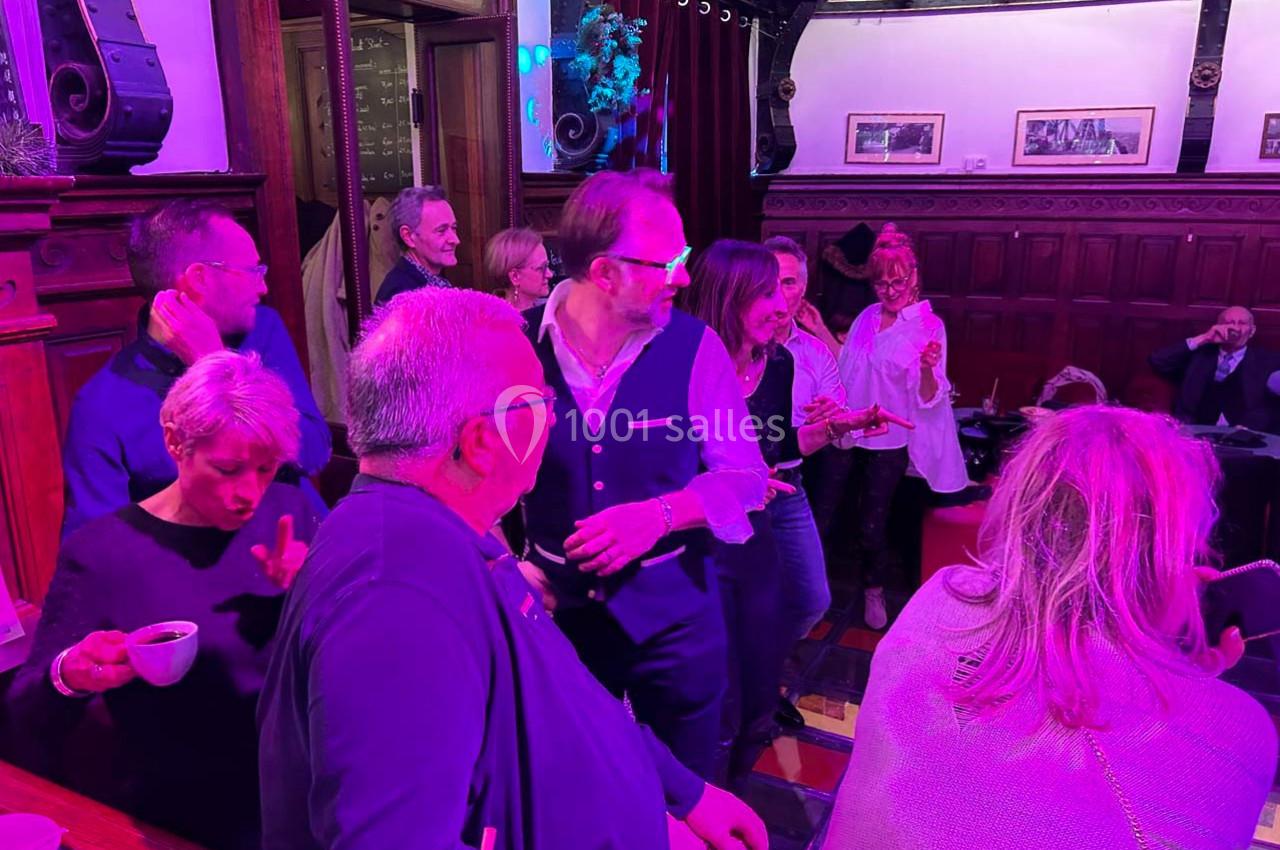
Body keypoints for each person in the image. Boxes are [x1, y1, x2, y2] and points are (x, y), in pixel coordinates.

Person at [256, 288, 767, 850]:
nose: (554, 418)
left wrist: (682, 792)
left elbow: (562, 695)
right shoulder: (393, 597)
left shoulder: (450, 530)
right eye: (542, 402)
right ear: (480, 444)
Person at [821, 406, 1276, 850]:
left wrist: (1161, 666)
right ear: (1171, 551)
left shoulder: (944, 596)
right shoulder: (1239, 730)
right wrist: (1181, 675)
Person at [11, 352, 319, 850]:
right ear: (176, 442)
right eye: (228, 468)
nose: (250, 494)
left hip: (301, 799)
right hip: (182, 818)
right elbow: (25, 716)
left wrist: (312, 592)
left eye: (265, 470)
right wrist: (72, 672)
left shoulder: (290, 512)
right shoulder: (103, 554)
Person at [517, 169, 768, 780]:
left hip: (678, 621)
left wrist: (659, 516)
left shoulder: (694, 346)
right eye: (669, 262)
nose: (684, 277)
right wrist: (507, 566)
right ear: (605, 273)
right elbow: (463, 478)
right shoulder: (516, 344)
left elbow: (746, 476)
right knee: (573, 783)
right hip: (559, 621)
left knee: (682, 789)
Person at [683, 239, 905, 782]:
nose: (781, 306)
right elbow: (671, 467)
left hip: (768, 511)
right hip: (703, 531)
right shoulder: (683, 364)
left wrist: (839, 427)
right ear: (728, 295)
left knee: (796, 615)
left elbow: (779, 449)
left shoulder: (778, 363)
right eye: (765, 292)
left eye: (785, 290)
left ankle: (739, 758)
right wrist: (731, 488)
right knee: (712, 677)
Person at [60, 199, 331, 538]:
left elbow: (313, 450)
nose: (263, 287)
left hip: (306, 556)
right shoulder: (102, 406)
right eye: (253, 271)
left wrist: (212, 363)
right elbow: (95, 553)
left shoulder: (262, 330)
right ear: (200, 278)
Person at [837, 223, 967, 630]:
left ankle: (874, 590)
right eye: (881, 284)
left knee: (873, 520)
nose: (890, 292)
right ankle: (826, 590)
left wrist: (929, 369)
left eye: (898, 282)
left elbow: (929, 396)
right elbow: (848, 368)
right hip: (849, 428)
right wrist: (820, 332)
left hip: (889, 439)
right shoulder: (867, 317)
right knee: (832, 510)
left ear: (914, 277)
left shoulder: (929, 327)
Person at [1149, 305, 1280, 432]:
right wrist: (1204, 338)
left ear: (1252, 331)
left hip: (1242, 437)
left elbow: (1267, 407)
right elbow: (1157, 361)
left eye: (1242, 323)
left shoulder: (1268, 360)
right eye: (1228, 323)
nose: (1235, 328)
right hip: (1195, 432)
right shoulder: (1198, 355)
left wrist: (1248, 427)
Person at [373, 185, 459, 305]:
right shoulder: (402, 294)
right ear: (408, 237)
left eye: (454, 228)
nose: (455, 239)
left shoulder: (433, 281)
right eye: (441, 230)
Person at [485, 226, 554, 311]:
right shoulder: (491, 320)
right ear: (515, 276)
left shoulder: (551, 311)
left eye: (547, 266)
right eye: (541, 268)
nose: (550, 274)